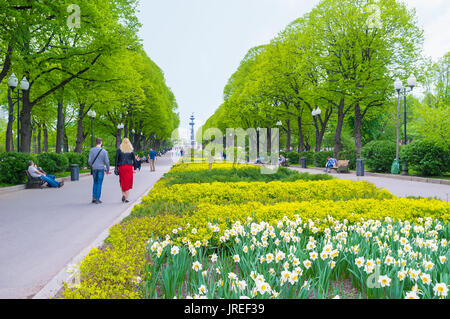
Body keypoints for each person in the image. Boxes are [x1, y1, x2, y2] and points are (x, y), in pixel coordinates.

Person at [89, 138, 111, 204]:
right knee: (99, 183)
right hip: (101, 169)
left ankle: (94, 197)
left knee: (95, 182)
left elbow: (89, 161)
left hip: (94, 169)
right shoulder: (104, 151)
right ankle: (97, 199)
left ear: (96, 142)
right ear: (101, 142)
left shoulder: (91, 150)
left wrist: (92, 166)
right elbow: (107, 162)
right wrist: (107, 169)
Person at [116, 138, 137, 203]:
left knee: (122, 181)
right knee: (128, 181)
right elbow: (134, 160)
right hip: (129, 167)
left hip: (121, 167)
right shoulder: (131, 150)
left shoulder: (119, 150)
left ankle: (123, 194)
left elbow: (116, 159)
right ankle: (127, 198)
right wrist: (135, 168)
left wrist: (116, 168)